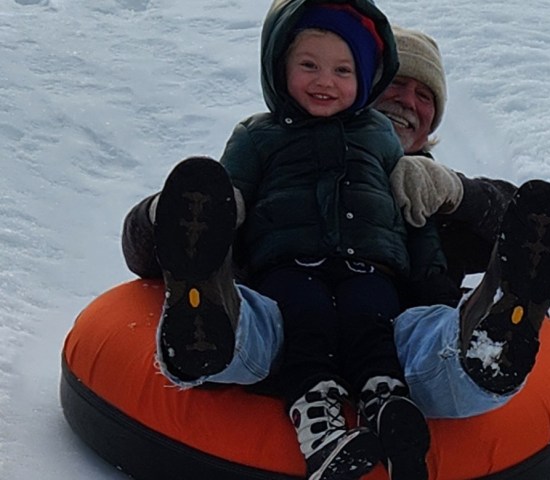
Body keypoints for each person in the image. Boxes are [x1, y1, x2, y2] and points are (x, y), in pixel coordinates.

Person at [123, 1, 460, 479]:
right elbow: (233, 188)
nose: (325, 81)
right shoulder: (258, 135)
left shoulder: (383, 144)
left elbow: (415, 219)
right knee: (306, 324)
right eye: (309, 66)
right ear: (279, 67)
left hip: (372, 266)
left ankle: (390, 411)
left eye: (343, 71)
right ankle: (318, 431)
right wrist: (218, 210)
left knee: (372, 320)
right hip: (288, 265)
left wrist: (437, 285)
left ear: (365, 81)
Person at [375, 25, 550, 416]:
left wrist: (459, 195)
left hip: (418, 356)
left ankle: (488, 341)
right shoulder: (297, 165)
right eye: (395, 84)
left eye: (424, 96)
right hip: (309, 337)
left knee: (438, 335)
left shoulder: (439, 202)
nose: (407, 101)